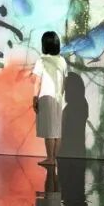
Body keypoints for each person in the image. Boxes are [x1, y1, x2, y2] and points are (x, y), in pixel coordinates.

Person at [32, 31, 68, 166]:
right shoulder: (62, 60)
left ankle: (50, 159)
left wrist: (34, 98)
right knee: (56, 130)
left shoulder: (41, 60)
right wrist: (61, 96)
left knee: (49, 131)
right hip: (59, 99)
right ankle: (54, 158)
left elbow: (37, 82)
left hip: (46, 98)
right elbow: (65, 82)